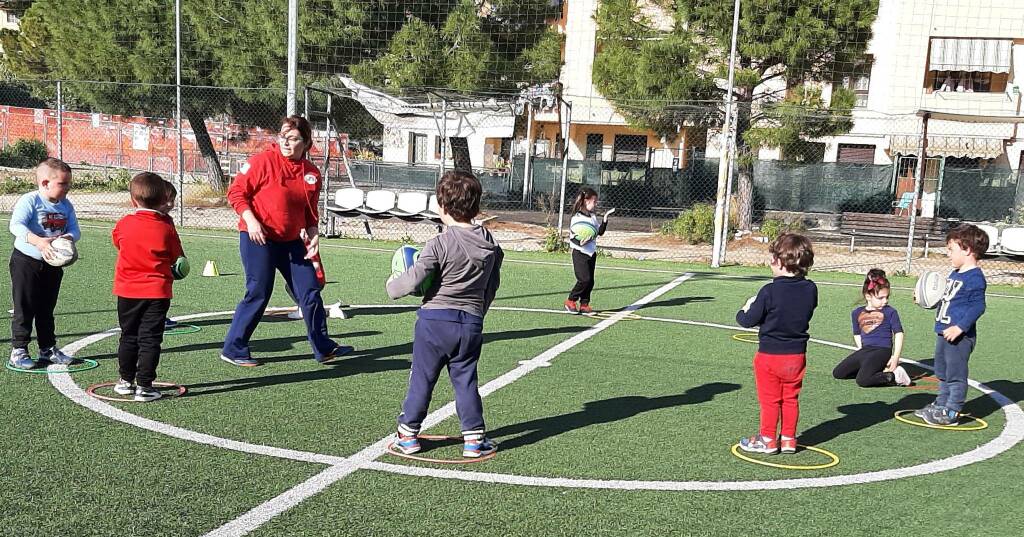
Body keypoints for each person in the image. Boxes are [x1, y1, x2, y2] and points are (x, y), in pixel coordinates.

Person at [386, 170, 504, 458]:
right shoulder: (490, 245)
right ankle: (474, 440)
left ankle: (408, 435)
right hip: (471, 323)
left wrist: (392, 286)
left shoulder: (439, 243)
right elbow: (492, 285)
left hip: (434, 322)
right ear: (476, 207)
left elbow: (413, 279)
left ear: (442, 206)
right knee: (465, 380)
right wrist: (479, 312)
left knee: (422, 378)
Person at [221, 115, 351, 366]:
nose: (286, 143)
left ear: (306, 142)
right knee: (259, 292)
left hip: (291, 242)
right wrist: (251, 220)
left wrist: (314, 233)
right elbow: (236, 193)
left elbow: (310, 210)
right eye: (283, 137)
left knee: (310, 291)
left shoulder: (311, 173)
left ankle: (323, 348)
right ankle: (234, 347)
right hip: (258, 238)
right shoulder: (262, 162)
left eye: (293, 139)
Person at [736, 233, 817, 454]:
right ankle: (789, 439)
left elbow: (747, 320)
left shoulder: (769, 291)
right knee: (791, 398)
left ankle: (768, 439)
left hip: (770, 356)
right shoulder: (811, 289)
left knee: (770, 400)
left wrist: (745, 308)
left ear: (781, 261)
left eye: (773, 258)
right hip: (796, 355)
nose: (770, 262)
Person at [111, 174, 185, 402]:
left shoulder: (124, 223)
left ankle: (125, 381)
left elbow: (117, 241)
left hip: (127, 291)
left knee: (128, 335)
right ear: (164, 198)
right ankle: (145, 386)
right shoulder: (166, 225)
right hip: (157, 292)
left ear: (134, 200)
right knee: (150, 338)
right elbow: (179, 259)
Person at [7, 157, 80, 369]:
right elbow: (16, 226)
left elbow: (75, 230)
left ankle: (47, 349)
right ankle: (19, 350)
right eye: (63, 184)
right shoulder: (30, 200)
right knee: (24, 307)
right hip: (26, 262)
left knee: (46, 308)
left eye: (69, 183)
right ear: (45, 183)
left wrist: (68, 238)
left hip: (52, 266)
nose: (67, 188)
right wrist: (39, 242)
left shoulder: (66, 205)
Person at [915, 224, 988, 426]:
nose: (948, 254)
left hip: (959, 337)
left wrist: (960, 327)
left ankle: (952, 411)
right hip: (943, 332)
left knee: (956, 374)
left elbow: (978, 306)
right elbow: (948, 300)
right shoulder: (955, 273)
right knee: (942, 371)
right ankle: (941, 404)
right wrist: (926, 300)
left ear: (967, 250)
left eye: (951, 250)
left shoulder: (974, 278)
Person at [832, 269, 911, 387]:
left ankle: (895, 375)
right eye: (881, 298)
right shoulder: (857, 313)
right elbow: (857, 334)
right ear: (868, 296)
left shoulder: (890, 312)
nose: (885, 301)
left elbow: (899, 334)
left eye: (887, 297)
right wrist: (861, 351)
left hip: (882, 350)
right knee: (838, 373)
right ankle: (873, 372)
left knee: (862, 381)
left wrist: (895, 358)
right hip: (865, 350)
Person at [564, 187, 609, 314]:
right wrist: (581, 242)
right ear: (585, 201)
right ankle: (570, 301)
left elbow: (599, 232)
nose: (596, 204)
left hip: (591, 252)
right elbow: (572, 238)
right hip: (579, 252)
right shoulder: (577, 218)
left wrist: (605, 220)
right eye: (594, 202)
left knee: (590, 281)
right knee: (584, 279)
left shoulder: (593, 217)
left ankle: (584, 304)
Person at [160, 180, 180, 330]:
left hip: (167, 264)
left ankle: (161, 316)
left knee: (165, 291)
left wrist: (180, 256)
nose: (170, 204)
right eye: (166, 200)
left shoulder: (168, 220)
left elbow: (175, 241)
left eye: (172, 200)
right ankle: (157, 318)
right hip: (153, 265)